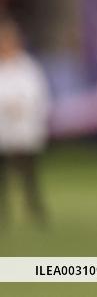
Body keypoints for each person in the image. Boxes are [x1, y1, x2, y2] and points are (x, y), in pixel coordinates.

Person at [0, 17, 49, 227]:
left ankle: (34, 210)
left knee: (29, 174)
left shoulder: (28, 67)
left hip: (24, 128)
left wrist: (22, 106)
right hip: (3, 128)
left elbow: (38, 95)